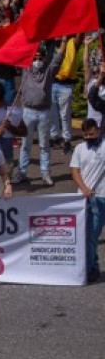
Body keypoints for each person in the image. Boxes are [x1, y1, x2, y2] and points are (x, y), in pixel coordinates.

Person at [14, 44, 63, 186]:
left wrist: (64, 41)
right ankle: (21, 173)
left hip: (44, 113)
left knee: (44, 145)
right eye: (34, 57)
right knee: (25, 144)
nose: (37, 60)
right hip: (28, 112)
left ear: (44, 58)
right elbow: (21, 51)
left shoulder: (49, 70)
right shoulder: (26, 69)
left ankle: (45, 173)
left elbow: (58, 58)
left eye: (40, 57)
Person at [70, 118, 105, 283]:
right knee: (86, 235)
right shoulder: (79, 148)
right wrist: (83, 187)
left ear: (98, 130)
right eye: (86, 135)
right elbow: (75, 171)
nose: (89, 137)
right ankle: (91, 266)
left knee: (92, 234)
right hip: (84, 198)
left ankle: (91, 266)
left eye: (92, 134)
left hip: (101, 197)